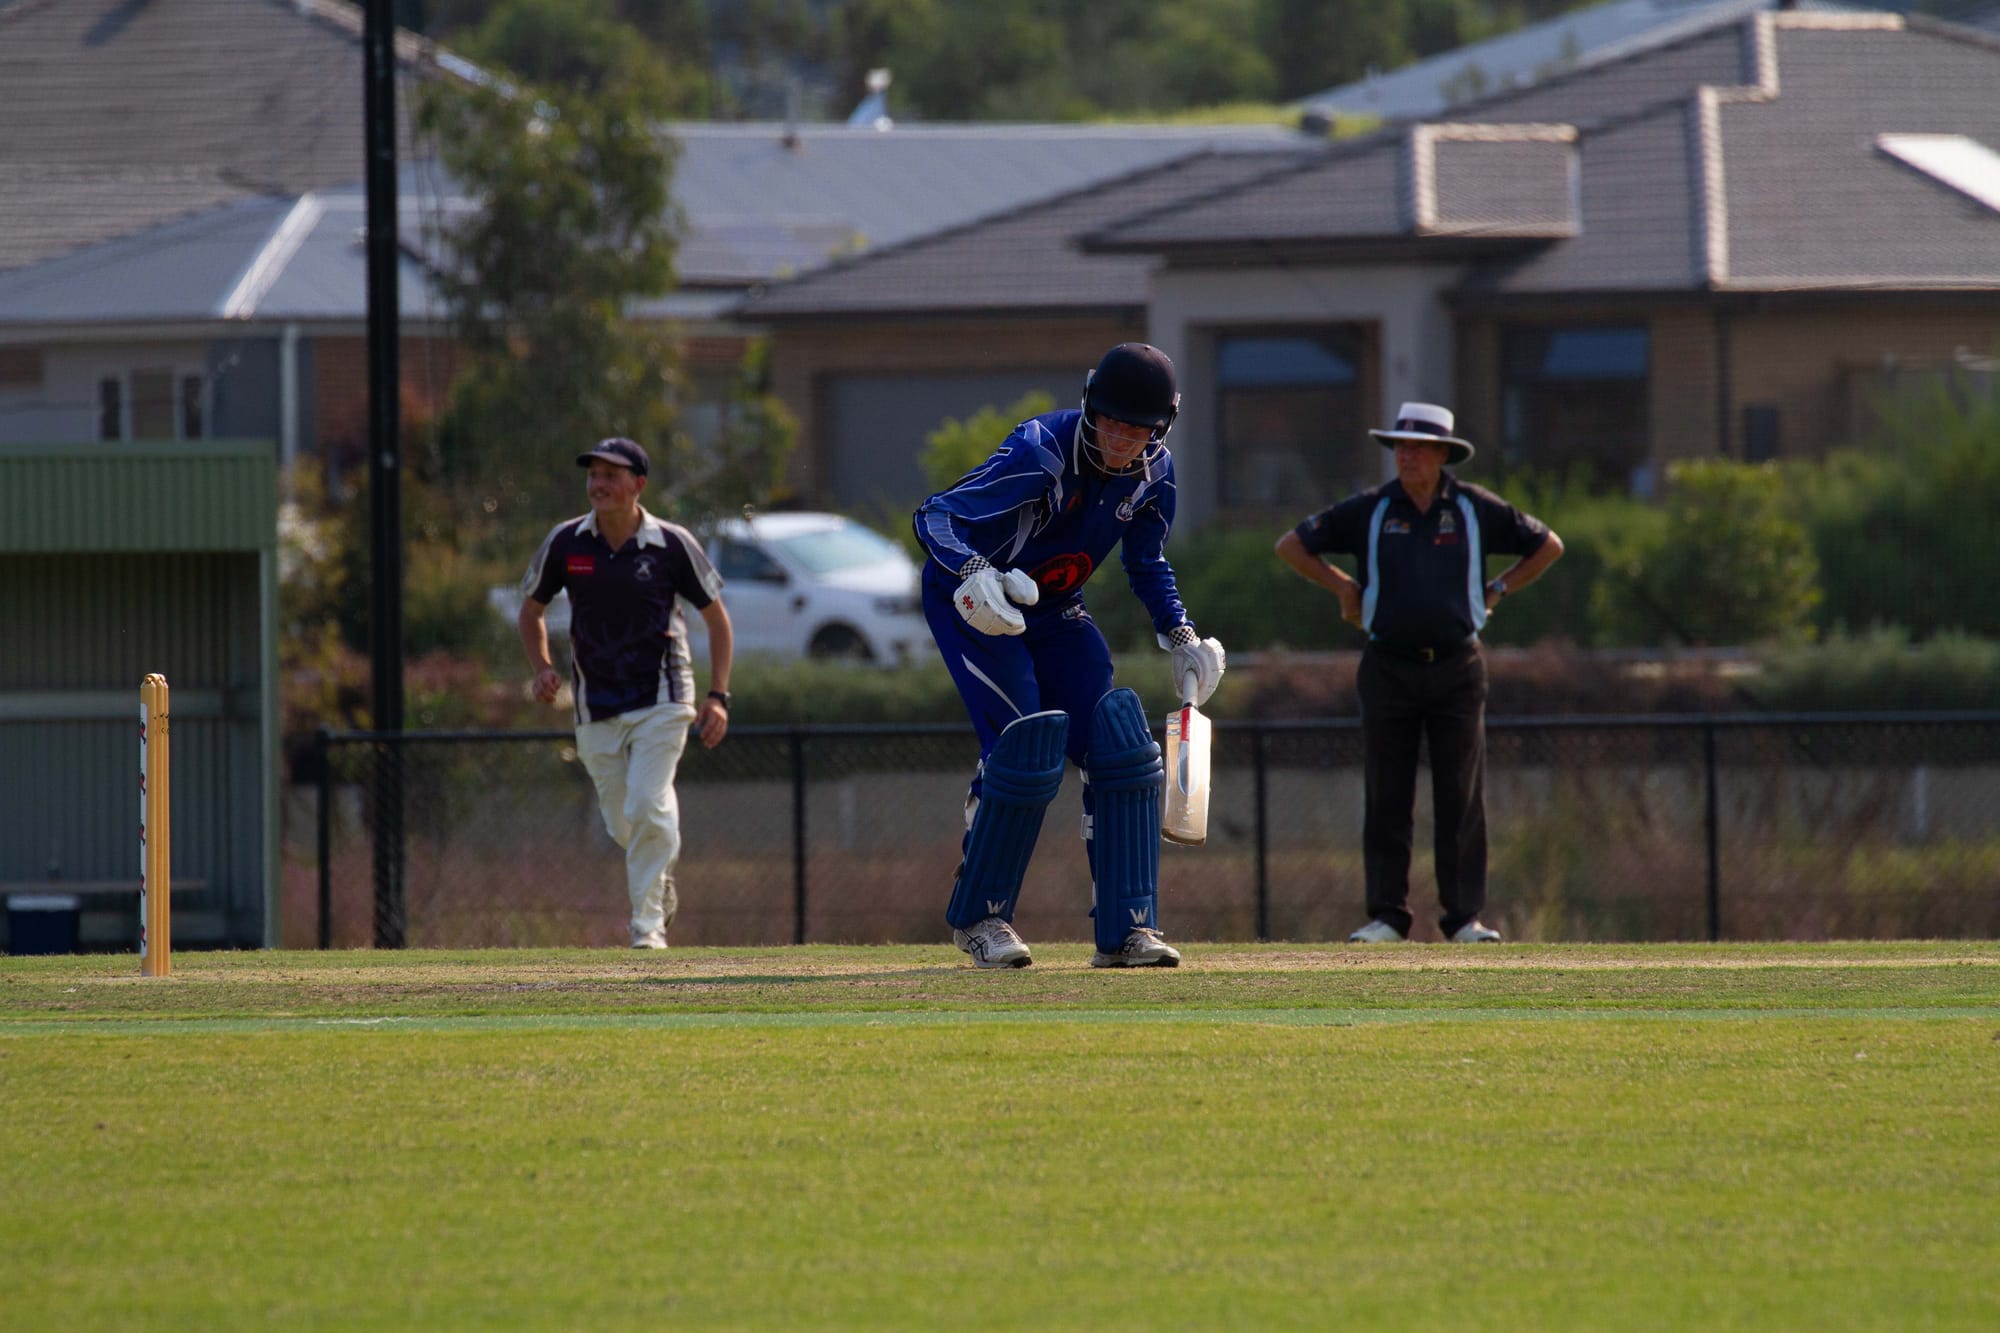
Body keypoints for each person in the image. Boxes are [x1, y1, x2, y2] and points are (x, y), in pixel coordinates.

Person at [912, 343, 1226, 969]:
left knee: (1121, 748)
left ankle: (1127, 929)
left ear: (1159, 428)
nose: (1116, 439)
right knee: (1024, 747)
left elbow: (1146, 561)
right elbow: (937, 517)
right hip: (976, 602)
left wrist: (1182, 634)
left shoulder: (1155, 474)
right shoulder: (1042, 450)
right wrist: (975, 569)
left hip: (1055, 608)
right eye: (1108, 421)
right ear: (1089, 405)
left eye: (1134, 428)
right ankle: (982, 919)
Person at [1276, 402, 1563, 944]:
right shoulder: (1373, 509)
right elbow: (1292, 546)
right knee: (1388, 792)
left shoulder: (1474, 509)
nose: (1406, 457)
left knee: (1461, 793)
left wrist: (1498, 589)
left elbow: (1548, 545)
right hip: (1388, 665)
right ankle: (1387, 916)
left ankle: (1464, 920)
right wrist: (1343, 587)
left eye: (1418, 448)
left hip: (1459, 665)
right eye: (1399, 447)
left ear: (1443, 455)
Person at [518, 437, 734, 949]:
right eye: (593, 474)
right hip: (595, 704)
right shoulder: (566, 541)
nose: (599, 484)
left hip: (664, 695)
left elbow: (717, 621)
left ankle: (647, 925)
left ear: (638, 484)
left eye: (612, 475)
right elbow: (531, 611)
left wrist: (718, 695)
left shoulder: (672, 542)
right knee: (624, 822)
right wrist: (543, 668)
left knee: (646, 803)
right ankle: (659, 878)